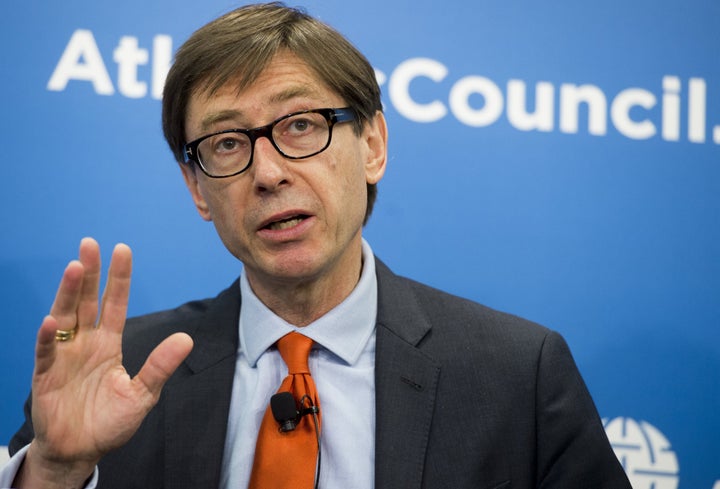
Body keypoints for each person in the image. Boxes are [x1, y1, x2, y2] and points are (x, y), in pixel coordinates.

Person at [3, 3, 632, 488]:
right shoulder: (121, 372)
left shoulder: (517, 373)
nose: (269, 172)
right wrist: (55, 473)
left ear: (373, 146)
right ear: (197, 189)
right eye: (227, 143)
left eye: (300, 125)